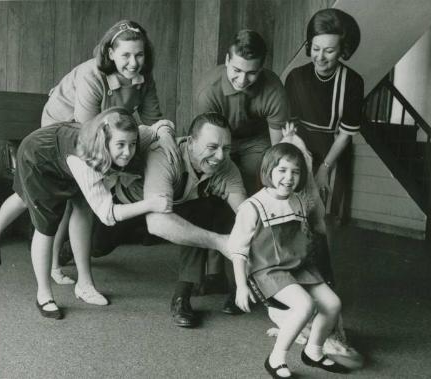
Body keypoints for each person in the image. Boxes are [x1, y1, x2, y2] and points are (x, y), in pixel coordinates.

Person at [0, 107, 174, 319]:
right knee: (46, 224)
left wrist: (166, 134)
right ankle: (43, 294)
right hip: (38, 157)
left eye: (132, 144)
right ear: (104, 141)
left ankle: (84, 284)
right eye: (121, 145)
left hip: (62, 149)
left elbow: (162, 124)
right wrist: (150, 204)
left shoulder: (129, 134)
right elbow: (107, 214)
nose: (128, 152)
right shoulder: (87, 162)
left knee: (82, 209)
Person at [284, 8, 364, 369]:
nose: (321, 56)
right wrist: (301, 167)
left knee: (321, 234)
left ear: (342, 48)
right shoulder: (296, 78)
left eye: (329, 50)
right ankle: (296, 312)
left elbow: (346, 133)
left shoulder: (354, 82)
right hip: (299, 156)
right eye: (316, 48)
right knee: (294, 233)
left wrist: (325, 171)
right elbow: (289, 130)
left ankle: (329, 325)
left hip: (331, 158)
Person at [229, 143, 348, 378]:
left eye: (295, 172)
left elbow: (307, 236)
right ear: (268, 170)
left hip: (298, 266)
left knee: (332, 304)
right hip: (268, 270)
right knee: (304, 305)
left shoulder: (298, 201)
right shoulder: (253, 206)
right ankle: (276, 359)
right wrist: (241, 286)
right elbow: (238, 249)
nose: (288, 177)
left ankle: (313, 352)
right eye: (282, 170)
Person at [195, 29, 289, 310]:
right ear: (226, 59)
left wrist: (272, 188)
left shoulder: (274, 89)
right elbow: (209, 142)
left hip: (256, 143)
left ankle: (250, 282)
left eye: (252, 73)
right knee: (212, 197)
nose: (242, 79)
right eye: (236, 70)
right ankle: (214, 274)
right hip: (218, 142)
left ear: (262, 68)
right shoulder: (208, 90)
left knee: (250, 204)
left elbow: (277, 152)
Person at [144, 112, 247, 328]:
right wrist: (219, 241)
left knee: (211, 209)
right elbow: (156, 223)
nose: (220, 156)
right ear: (191, 143)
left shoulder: (226, 165)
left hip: (184, 211)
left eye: (226, 148)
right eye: (212, 147)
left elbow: (247, 216)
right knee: (100, 245)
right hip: (134, 215)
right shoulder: (166, 155)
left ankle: (185, 295)